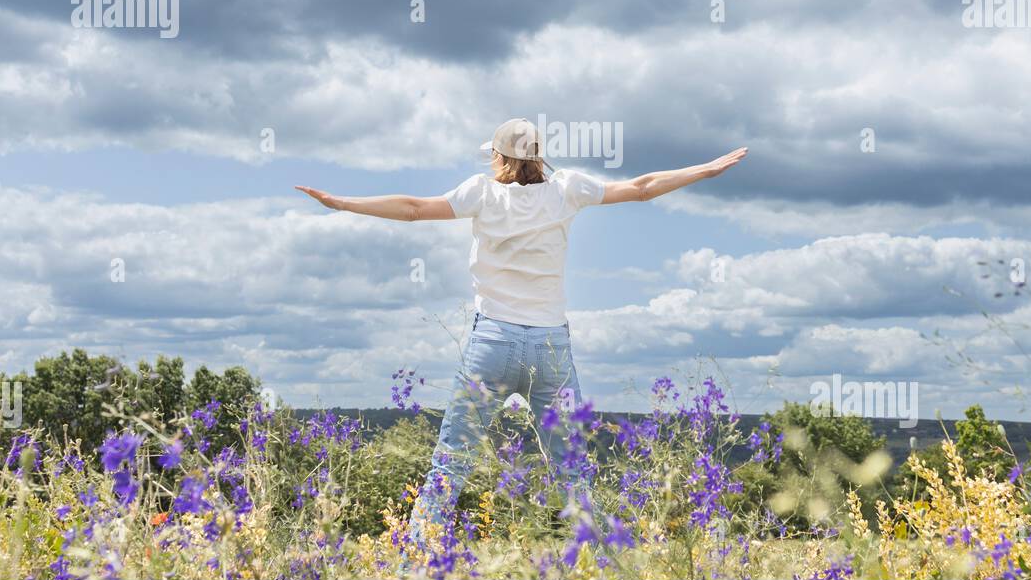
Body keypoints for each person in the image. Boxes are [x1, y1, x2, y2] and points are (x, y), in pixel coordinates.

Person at [296, 118, 747, 541]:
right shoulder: (568, 189)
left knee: (451, 463)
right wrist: (704, 170)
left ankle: (419, 553)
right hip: (550, 345)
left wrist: (343, 203)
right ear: (538, 156)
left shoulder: (480, 193)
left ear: (499, 158)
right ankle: (588, 555)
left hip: (492, 341)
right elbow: (642, 188)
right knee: (571, 469)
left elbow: (413, 210)